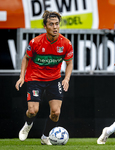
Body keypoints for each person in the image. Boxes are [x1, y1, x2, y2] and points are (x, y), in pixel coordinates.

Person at [15, 10, 73, 145]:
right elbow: (26, 58)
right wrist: (22, 77)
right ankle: (28, 124)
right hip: (35, 78)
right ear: (45, 27)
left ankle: (45, 137)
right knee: (32, 111)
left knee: (56, 113)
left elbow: (69, 63)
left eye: (57, 24)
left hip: (54, 79)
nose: (55, 27)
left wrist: (66, 79)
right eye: (51, 24)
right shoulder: (36, 42)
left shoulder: (66, 43)